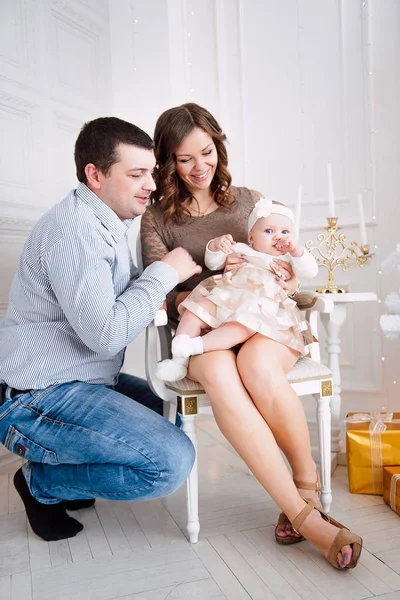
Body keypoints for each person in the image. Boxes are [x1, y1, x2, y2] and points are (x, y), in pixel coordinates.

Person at [140, 102, 362, 570]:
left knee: (257, 365)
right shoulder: (156, 216)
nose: (201, 167)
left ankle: (303, 486)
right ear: (168, 162)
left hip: (265, 322)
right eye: (186, 159)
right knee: (222, 374)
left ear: (218, 146)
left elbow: (286, 263)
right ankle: (310, 518)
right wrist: (202, 283)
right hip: (204, 324)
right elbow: (157, 290)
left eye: (207, 152)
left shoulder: (250, 201)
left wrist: (283, 277)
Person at [0, 116, 202, 542]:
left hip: (86, 382)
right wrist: (164, 273)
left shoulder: (107, 224)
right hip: (35, 396)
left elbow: (124, 304)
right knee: (170, 461)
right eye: (136, 174)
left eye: (150, 172)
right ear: (95, 175)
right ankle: (41, 483)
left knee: (174, 413)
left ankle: (65, 471)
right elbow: (107, 333)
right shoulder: (74, 231)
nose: (150, 184)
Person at [156, 197, 318, 382]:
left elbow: (310, 271)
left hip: (258, 308)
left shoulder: (287, 259)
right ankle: (178, 361)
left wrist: (296, 251)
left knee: (238, 328)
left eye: (285, 232)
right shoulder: (242, 249)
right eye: (268, 231)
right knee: (194, 311)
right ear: (251, 237)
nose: (278, 237)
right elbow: (214, 262)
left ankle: (196, 345)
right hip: (226, 297)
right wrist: (215, 246)